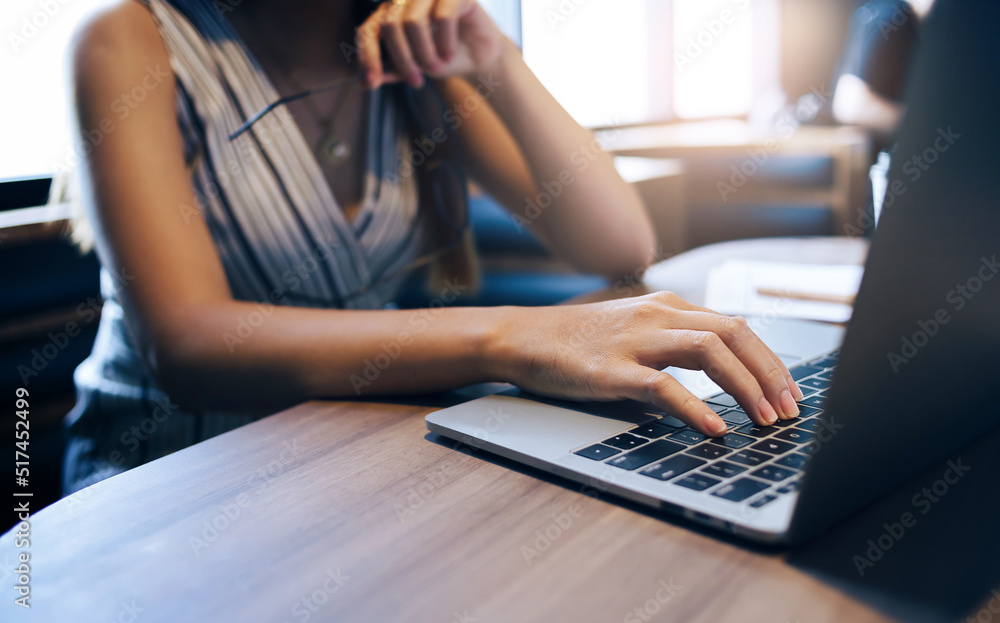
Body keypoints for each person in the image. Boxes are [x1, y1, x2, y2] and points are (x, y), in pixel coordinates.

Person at [63, 0, 803, 493]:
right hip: (171, 474)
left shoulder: (405, 54)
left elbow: (620, 244)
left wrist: (496, 58)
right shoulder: (131, 36)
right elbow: (189, 348)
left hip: (344, 449)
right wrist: (510, 336)